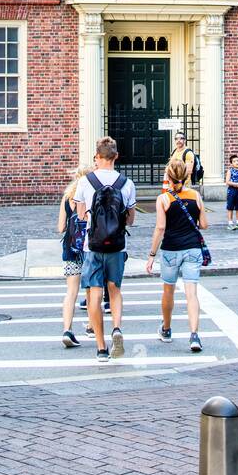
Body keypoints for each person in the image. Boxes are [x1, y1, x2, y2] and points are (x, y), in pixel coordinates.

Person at [74, 138, 136, 364]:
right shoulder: (126, 183)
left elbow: (81, 215)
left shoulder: (85, 182)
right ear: (116, 156)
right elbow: (130, 219)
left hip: (92, 246)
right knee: (115, 289)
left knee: (95, 293)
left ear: (97, 157)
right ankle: (117, 328)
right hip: (118, 246)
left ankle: (101, 348)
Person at [146, 155, 207, 352]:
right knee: (192, 294)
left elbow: (160, 228)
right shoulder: (195, 196)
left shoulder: (163, 199)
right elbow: (204, 224)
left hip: (171, 249)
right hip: (192, 248)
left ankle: (166, 328)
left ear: (169, 178)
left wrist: (152, 254)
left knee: (168, 291)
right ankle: (194, 335)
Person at [57, 165, 89, 348]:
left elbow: (60, 227)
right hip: (88, 248)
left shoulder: (66, 198)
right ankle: (92, 326)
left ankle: (67, 329)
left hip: (70, 247)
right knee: (92, 289)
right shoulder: (88, 197)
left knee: (71, 292)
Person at [225, 154, 238, 228]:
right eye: (234, 161)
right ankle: (230, 223)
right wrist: (236, 184)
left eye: (237, 161)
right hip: (231, 191)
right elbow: (227, 182)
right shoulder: (230, 171)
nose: (236, 162)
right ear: (231, 164)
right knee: (230, 207)